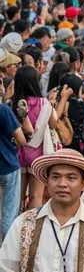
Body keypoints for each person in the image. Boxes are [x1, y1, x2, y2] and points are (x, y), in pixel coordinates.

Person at [13, 65, 60, 209]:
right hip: (37, 155)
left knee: (17, 196)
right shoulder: (43, 103)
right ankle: (31, 228)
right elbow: (53, 124)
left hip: (18, 154)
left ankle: (16, 224)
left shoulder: (14, 103)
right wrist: (52, 103)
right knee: (36, 196)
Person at [0, 96, 27, 238]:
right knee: (9, 212)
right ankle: (6, 249)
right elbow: (22, 140)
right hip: (8, 164)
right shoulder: (3, 110)